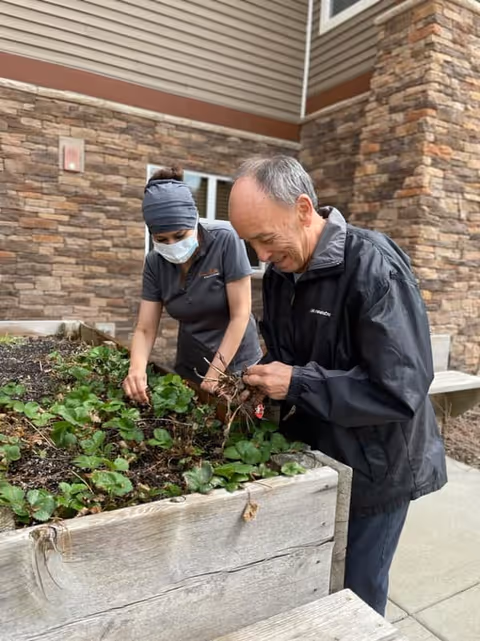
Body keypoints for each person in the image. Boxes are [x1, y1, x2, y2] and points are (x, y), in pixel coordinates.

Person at [229, 155, 447, 616]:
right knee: (313, 585)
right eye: (252, 244)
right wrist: (263, 383)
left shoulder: (373, 266)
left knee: (356, 597)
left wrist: (297, 383)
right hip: (321, 458)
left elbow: (401, 388)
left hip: (375, 468)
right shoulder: (281, 272)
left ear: (304, 209)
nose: (261, 257)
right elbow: (291, 359)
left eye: (266, 239)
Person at [123, 166, 262, 402]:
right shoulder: (155, 263)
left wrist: (218, 372)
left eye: (179, 235)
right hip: (191, 360)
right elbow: (145, 328)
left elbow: (240, 314)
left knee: (240, 429)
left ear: (195, 220)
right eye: (161, 239)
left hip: (236, 360)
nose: (172, 244)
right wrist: (136, 369)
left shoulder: (225, 241)